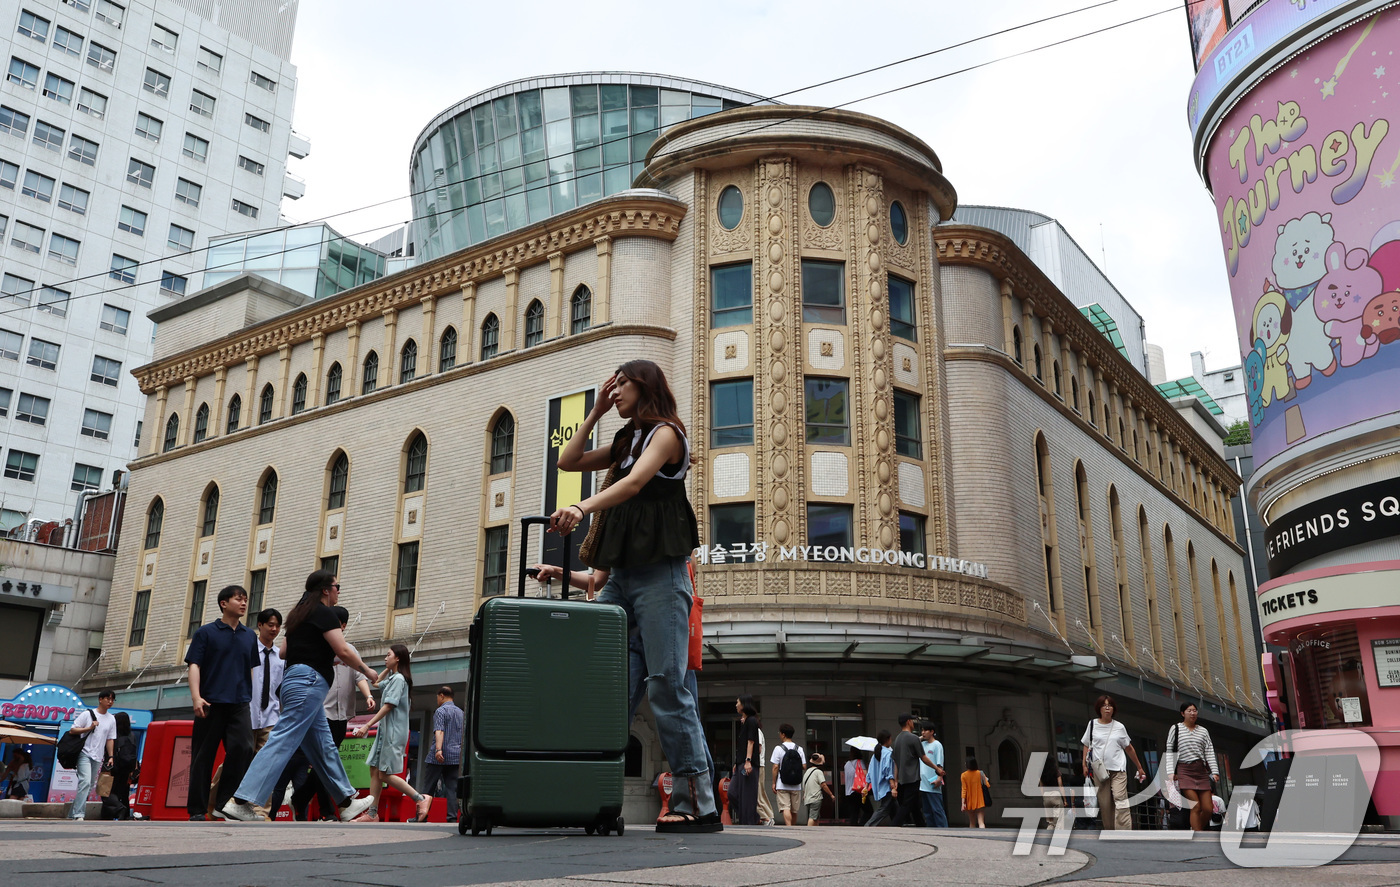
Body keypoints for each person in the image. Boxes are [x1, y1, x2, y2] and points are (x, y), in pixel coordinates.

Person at [549, 361, 719, 834]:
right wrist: (596, 412)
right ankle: (588, 793)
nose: (616, 389)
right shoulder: (626, 439)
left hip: (662, 576)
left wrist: (581, 506)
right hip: (621, 578)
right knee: (603, 683)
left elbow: (635, 483)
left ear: (646, 387)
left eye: (623, 383)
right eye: (614, 383)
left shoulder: (667, 434)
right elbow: (568, 461)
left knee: (667, 686)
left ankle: (697, 803)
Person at [219, 571, 377, 823]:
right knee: (282, 740)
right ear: (325, 590)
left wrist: (320, 654)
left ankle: (346, 802)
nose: (338, 591)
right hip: (309, 683)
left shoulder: (298, 615)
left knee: (323, 746)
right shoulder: (325, 613)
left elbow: (284, 652)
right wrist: (367, 671)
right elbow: (344, 650)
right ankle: (239, 801)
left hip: (296, 680)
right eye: (337, 586)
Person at [289, 604, 377, 821]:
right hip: (322, 712)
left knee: (326, 762)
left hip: (342, 714)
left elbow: (359, 676)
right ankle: (327, 810)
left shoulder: (350, 650)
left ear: (343, 626)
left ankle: (301, 797)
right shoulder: (319, 648)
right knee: (326, 761)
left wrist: (368, 695)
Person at [185, 585, 259, 821]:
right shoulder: (206, 632)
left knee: (244, 748)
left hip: (239, 703)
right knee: (203, 757)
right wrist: (196, 697)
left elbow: (250, 669)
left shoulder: (250, 636)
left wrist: (250, 697)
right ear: (223, 603)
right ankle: (197, 810)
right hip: (210, 702)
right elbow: (194, 665)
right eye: (238, 599)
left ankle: (223, 803)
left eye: (245, 599)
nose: (244, 603)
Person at [208, 606, 283, 815]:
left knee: (267, 764)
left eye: (278, 626)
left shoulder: (281, 656)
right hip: (245, 714)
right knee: (235, 761)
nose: (274, 629)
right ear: (260, 625)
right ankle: (214, 802)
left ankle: (261, 811)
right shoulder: (247, 649)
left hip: (270, 717)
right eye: (270, 625)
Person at [351, 644, 431, 822]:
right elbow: (375, 683)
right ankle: (372, 814)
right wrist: (388, 668)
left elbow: (388, 705)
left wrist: (367, 725)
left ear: (398, 658)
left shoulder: (399, 679)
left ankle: (420, 798)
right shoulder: (394, 678)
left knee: (384, 774)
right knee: (374, 770)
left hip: (393, 733)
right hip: (386, 732)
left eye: (388, 655)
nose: (385, 658)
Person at [1080, 694, 1147, 831]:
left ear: (1113, 709)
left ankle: (1124, 831)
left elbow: (1129, 748)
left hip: (1118, 769)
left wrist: (1139, 767)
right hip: (1099, 771)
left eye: (1110, 705)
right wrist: (1084, 764)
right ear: (1099, 708)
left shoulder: (1119, 727)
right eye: (1104, 705)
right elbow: (1086, 744)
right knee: (1105, 804)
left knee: (1120, 798)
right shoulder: (1092, 725)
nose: (1107, 708)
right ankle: (1110, 831)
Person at [1163, 702, 1219, 832]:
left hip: (1201, 771)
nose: (1192, 713)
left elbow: (1209, 751)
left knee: (1208, 809)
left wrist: (1215, 771)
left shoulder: (1203, 731)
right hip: (1184, 770)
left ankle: (1196, 829)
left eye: (1194, 710)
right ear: (1183, 713)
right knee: (1196, 806)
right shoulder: (1176, 728)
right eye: (1189, 711)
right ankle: (1198, 835)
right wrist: (1170, 771)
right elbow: (1170, 751)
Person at [67, 689, 117, 820]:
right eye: (108, 699)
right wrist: (89, 728)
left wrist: (111, 756)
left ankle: (72, 813)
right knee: (84, 782)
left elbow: (110, 739)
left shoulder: (111, 719)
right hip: (84, 752)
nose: (110, 702)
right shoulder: (87, 714)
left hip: (98, 756)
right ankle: (79, 814)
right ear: (100, 699)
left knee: (88, 786)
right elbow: (73, 729)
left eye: (112, 700)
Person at [416, 685, 463, 822]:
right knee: (452, 789)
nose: (437, 699)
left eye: (437, 697)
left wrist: (438, 749)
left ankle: (421, 816)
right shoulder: (461, 712)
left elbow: (439, 730)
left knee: (428, 788)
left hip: (437, 757)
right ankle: (452, 818)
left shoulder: (441, 711)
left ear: (442, 695)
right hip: (456, 756)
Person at [891, 714, 936, 827]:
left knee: (915, 806)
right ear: (908, 722)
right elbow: (923, 757)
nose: (913, 723)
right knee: (906, 805)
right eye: (912, 721)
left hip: (901, 780)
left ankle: (921, 826)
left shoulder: (897, 740)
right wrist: (937, 768)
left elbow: (895, 762)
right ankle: (894, 825)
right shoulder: (913, 738)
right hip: (912, 778)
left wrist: (896, 780)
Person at [101, 713, 139, 820]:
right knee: (123, 792)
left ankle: (118, 808)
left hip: (112, 767)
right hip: (127, 769)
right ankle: (125, 814)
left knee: (105, 790)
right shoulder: (132, 736)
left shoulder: (113, 735)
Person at [732, 696, 761, 825]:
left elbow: (751, 742)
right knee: (732, 793)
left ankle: (749, 822)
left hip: (748, 764)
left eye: (737, 702)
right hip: (741, 763)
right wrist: (737, 762)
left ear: (744, 704)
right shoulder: (746, 721)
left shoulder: (752, 721)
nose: (736, 705)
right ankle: (752, 818)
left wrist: (748, 761)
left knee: (747, 797)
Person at [770, 723, 805, 826]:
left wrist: (774, 782)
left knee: (786, 808)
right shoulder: (799, 749)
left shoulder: (778, 748)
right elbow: (804, 766)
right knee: (794, 810)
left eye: (779, 733)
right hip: (796, 784)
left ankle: (788, 827)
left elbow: (775, 767)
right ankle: (793, 828)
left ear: (783, 734)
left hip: (782, 783)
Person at [919, 723, 949, 828]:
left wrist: (939, 778)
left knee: (937, 810)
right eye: (922, 730)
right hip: (922, 783)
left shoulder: (937, 745)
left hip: (933, 781)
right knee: (927, 811)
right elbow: (913, 743)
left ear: (932, 732)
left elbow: (940, 763)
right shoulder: (922, 744)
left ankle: (943, 830)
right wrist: (921, 738)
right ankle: (931, 831)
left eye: (925, 730)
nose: (923, 733)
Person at [864, 731, 896, 826]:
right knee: (884, 808)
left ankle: (897, 824)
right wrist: (892, 785)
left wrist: (866, 786)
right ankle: (869, 825)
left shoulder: (875, 754)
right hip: (887, 786)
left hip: (879, 786)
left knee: (892, 807)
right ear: (887, 739)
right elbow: (888, 770)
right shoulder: (888, 753)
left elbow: (870, 772)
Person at [800, 753, 835, 825]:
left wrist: (804, 794)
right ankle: (809, 830)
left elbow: (804, 784)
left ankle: (816, 829)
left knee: (816, 817)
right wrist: (831, 795)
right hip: (815, 797)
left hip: (808, 798)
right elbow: (823, 785)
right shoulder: (818, 772)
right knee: (812, 817)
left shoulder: (807, 771)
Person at [1039, 755, 1068, 831]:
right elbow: (1060, 786)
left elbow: (1041, 787)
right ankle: (1059, 836)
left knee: (1051, 823)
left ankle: (1048, 835)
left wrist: (1044, 797)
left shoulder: (1041, 773)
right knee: (1059, 821)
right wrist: (1065, 799)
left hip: (1046, 796)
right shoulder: (1056, 771)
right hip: (1055, 795)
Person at [961, 756, 990, 828]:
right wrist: (985, 779)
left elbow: (964, 790)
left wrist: (963, 803)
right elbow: (987, 785)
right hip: (980, 800)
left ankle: (973, 835)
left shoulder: (963, 775)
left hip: (969, 801)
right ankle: (983, 834)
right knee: (981, 822)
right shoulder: (980, 773)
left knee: (972, 823)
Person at [842, 748, 869, 825]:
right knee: (868, 811)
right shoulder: (859, 762)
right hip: (858, 790)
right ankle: (862, 825)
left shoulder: (847, 764)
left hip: (848, 792)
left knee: (854, 813)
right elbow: (865, 774)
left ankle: (854, 828)